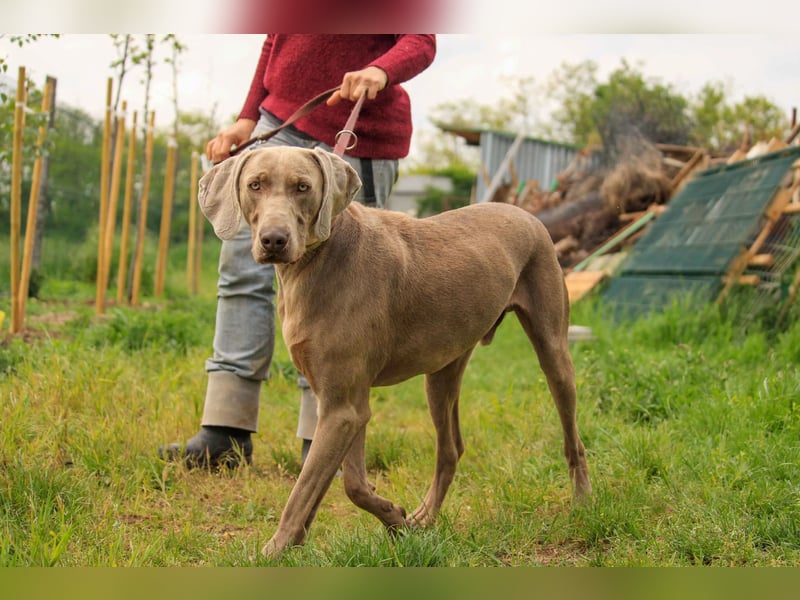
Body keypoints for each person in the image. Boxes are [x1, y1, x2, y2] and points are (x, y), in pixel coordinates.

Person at [159, 34, 436, 468]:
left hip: (358, 130)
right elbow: (276, 40)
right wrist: (247, 119)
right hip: (281, 122)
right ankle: (225, 429)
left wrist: (381, 70)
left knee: (342, 292)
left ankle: (322, 435)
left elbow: (421, 38)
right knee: (241, 268)